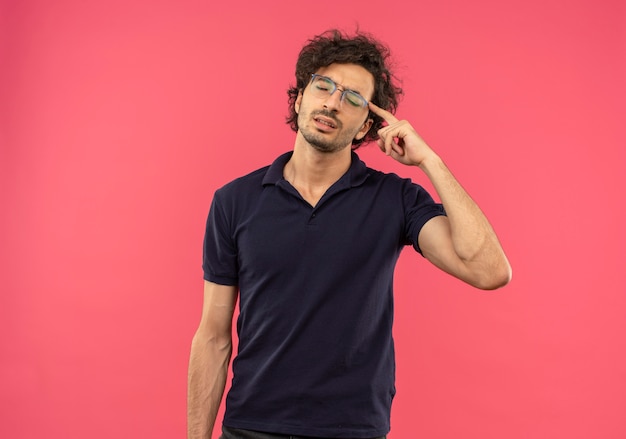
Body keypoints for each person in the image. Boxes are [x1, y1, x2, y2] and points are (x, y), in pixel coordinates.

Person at [187, 29, 511, 439]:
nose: (333, 103)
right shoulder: (234, 200)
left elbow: (488, 271)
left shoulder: (396, 199)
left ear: (366, 128)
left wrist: (430, 160)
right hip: (253, 425)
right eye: (324, 86)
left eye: (354, 98)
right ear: (300, 98)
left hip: (354, 429)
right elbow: (213, 337)